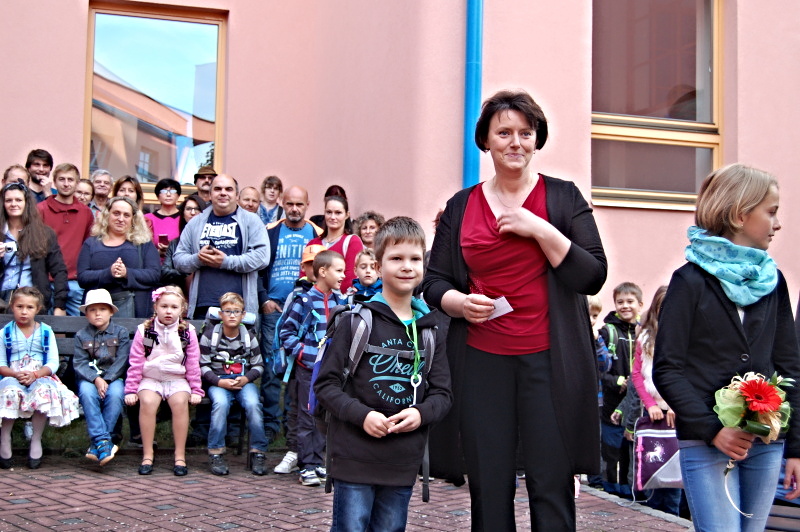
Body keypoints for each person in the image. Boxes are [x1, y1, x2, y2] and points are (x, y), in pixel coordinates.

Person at [421, 89, 607, 531]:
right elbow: (434, 282)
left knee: (551, 482)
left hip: (550, 363)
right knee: (489, 484)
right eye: (504, 133)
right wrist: (459, 303)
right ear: (485, 141)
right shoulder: (461, 206)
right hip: (482, 362)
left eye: (526, 132)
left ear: (537, 139)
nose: (515, 142)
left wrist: (540, 229)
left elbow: (593, 275)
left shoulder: (563, 198)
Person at [653, 163, 800, 530]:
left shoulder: (774, 282)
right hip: (707, 441)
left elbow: (790, 366)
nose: (777, 224)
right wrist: (713, 429)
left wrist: (796, 448)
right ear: (739, 215)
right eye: (771, 212)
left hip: (767, 440)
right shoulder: (688, 281)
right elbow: (668, 369)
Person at [315, 216, 452, 529]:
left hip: (402, 461)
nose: (407, 267)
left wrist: (420, 414)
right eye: (396, 258)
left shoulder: (431, 330)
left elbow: (443, 394)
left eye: (414, 259)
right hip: (354, 456)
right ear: (377, 267)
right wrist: (363, 415)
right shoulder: (355, 322)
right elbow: (326, 385)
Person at [258, 185, 321, 446]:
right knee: (273, 369)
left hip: (306, 311)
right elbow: (259, 269)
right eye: (290, 204)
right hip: (275, 309)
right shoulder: (270, 232)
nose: (294, 209)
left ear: (307, 205)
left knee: (299, 373)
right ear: (282, 204)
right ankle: (270, 425)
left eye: (299, 204)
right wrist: (265, 299)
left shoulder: (316, 234)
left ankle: (292, 427)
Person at [279, 249, 346, 486]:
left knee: (323, 416)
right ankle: (306, 465)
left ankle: (318, 462)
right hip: (308, 369)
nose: (343, 275)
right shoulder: (304, 301)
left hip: (330, 370)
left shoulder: (340, 301)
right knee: (307, 416)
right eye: (339, 270)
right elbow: (286, 333)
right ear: (323, 271)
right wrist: (304, 354)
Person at [124, 286, 204, 476]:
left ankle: (180, 456)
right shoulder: (147, 331)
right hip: (151, 378)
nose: (169, 311)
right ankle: (147, 455)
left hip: (177, 378)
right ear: (156, 307)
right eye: (164, 306)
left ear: (182, 309)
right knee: (148, 402)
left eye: (174, 307)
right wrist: (131, 390)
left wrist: (196, 390)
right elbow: (137, 361)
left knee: (180, 403)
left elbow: (192, 363)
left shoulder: (187, 332)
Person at [0, 287, 79, 469]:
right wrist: (14, 374)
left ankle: (36, 438)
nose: (24, 311)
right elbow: (1, 363)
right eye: (19, 306)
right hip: (13, 375)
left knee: (45, 391)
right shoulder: (5, 333)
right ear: (12, 307)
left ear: (37, 309)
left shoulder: (45, 331)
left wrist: (36, 374)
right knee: (9, 392)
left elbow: (53, 362)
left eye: (29, 307)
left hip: (39, 375)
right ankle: (5, 436)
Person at [173, 174, 270, 319]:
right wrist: (198, 259)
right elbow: (178, 260)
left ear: (237, 195)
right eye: (218, 189)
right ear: (210, 194)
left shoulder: (252, 221)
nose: (223, 193)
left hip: (240, 309)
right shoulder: (195, 223)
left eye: (228, 189)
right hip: (203, 307)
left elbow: (262, 257)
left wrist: (226, 262)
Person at [624, 285, 682, 515]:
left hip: (677, 412)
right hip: (653, 412)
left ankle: (674, 518)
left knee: (675, 473)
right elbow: (637, 374)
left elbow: (687, 375)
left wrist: (676, 404)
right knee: (653, 467)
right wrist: (650, 404)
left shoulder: (687, 337)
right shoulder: (645, 338)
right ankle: (653, 516)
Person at [200, 292, 268, 476]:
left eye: (236, 311)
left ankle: (258, 451)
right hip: (218, 382)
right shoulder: (209, 336)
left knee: (253, 404)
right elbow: (203, 366)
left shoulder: (249, 337)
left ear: (243, 315)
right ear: (220, 314)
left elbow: (259, 365)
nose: (232, 315)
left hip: (243, 381)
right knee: (220, 404)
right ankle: (216, 452)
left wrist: (246, 379)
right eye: (228, 311)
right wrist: (219, 381)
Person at [272, 242, 324, 475]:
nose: (314, 269)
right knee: (296, 409)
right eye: (310, 265)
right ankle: (295, 452)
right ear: (304, 267)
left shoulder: (334, 296)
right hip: (298, 363)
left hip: (322, 364)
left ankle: (315, 458)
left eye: (318, 264)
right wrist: (300, 352)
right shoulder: (297, 294)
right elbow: (284, 329)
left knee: (318, 411)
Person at [73, 288, 132, 466]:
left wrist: (107, 380)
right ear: (86, 314)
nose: (97, 313)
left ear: (111, 312)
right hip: (90, 379)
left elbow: (122, 360)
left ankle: (97, 443)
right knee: (86, 393)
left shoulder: (121, 333)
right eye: (92, 310)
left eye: (103, 309)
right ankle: (104, 441)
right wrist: (96, 379)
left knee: (115, 394)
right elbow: (80, 363)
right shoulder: (81, 335)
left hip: (114, 378)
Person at [77, 196, 161, 318]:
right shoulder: (91, 243)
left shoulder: (143, 243)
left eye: (126, 215)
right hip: (96, 313)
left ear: (133, 219)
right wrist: (108, 273)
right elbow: (82, 277)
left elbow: (154, 275)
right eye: (116, 213)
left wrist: (127, 273)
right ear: (107, 215)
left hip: (135, 312)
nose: (121, 219)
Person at [599, 282, 643, 498]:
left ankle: (629, 491)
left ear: (640, 304)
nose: (625, 306)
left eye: (630, 301)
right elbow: (596, 369)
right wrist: (618, 381)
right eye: (620, 302)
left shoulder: (644, 332)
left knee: (631, 451)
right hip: (611, 403)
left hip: (636, 405)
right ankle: (609, 491)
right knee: (611, 451)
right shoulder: (607, 332)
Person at [0, 182, 69, 314]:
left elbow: (59, 270)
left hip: (33, 301)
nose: (13, 204)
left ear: (27, 203)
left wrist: (60, 305)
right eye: (8, 200)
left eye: (18, 200)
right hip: (1, 301)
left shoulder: (44, 234)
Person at [37, 163, 94, 316]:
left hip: (75, 281)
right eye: (62, 179)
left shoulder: (86, 212)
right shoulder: (41, 209)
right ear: (54, 182)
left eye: (70, 179)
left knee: (77, 327)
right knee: (46, 326)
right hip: (47, 281)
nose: (66, 184)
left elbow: (87, 246)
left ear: (77, 183)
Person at [307, 196, 363, 293]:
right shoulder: (313, 243)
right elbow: (304, 275)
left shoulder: (352, 241)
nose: (333, 217)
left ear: (347, 215)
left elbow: (350, 278)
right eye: (329, 212)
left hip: (340, 299)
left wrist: (331, 298)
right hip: (312, 299)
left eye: (338, 213)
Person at [161, 196, 208, 293]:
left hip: (205, 291)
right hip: (180, 292)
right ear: (183, 214)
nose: (193, 212)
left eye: (197, 209)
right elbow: (164, 272)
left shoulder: (211, 240)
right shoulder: (175, 243)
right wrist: (188, 271)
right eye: (189, 209)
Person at [145, 178, 182, 260]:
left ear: (178, 196)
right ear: (158, 196)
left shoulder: (184, 217)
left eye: (172, 191)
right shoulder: (147, 218)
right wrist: (158, 252)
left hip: (179, 263)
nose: (168, 194)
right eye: (164, 191)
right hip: (155, 264)